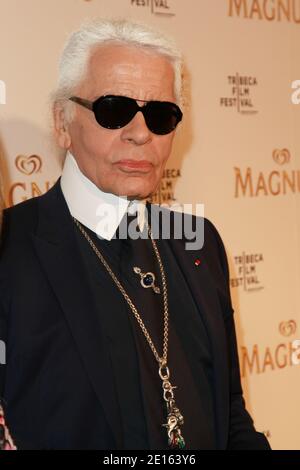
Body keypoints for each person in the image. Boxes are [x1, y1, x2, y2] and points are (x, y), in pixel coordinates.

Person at [0, 18, 270, 450]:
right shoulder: (9, 248)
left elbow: (230, 414)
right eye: (114, 109)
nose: (140, 133)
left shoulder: (198, 241)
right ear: (62, 122)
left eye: (161, 115)